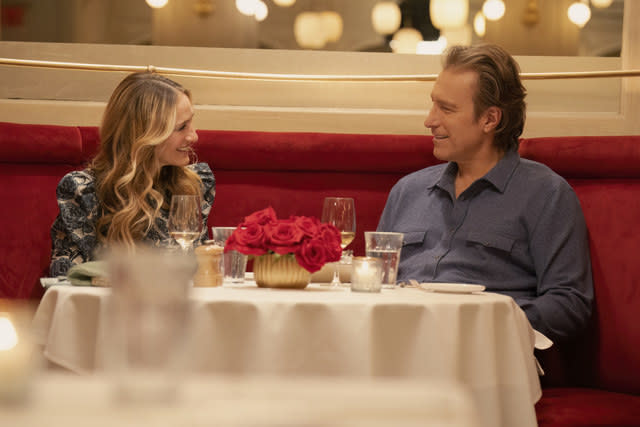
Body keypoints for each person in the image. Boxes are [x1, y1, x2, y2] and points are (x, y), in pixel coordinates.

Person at [377, 44, 593, 344]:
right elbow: (375, 284)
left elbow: (570, 305)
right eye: (433, 105)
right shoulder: (406, 191)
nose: (430, 120)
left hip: (483, 358)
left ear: (490, 119)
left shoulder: (547, 194)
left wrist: (485, 320)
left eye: (447, 109)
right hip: (395, 345)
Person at [49, 72, 215, 277]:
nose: (194, 136)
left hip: (181, 307)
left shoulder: (192, 184)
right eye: (181, 127)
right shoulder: (84, 193)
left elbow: (199, 273)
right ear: (144, 134)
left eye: (191, 123)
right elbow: (67, 280)